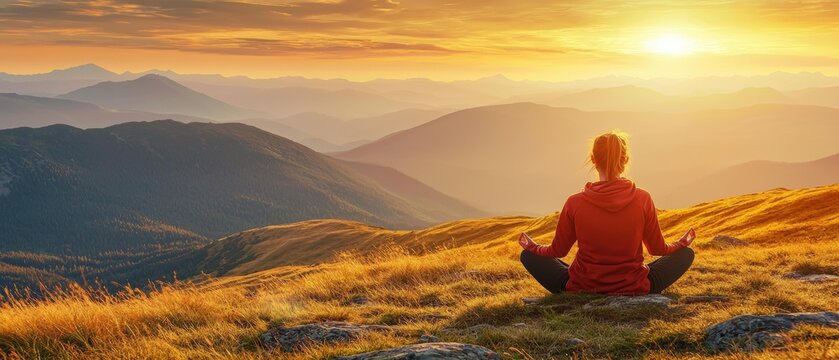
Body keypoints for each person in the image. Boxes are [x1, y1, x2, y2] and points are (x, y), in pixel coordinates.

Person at [518, 130, 695, 295]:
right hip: (633, 286)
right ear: (625, 160)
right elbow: (657, 249)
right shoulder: (643, 198)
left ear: (593, 159)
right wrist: (680, 243)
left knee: (528, 256)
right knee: (686, 254)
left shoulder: (575, 202)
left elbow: (558, 250)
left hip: (583, 286)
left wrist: (533, 247)